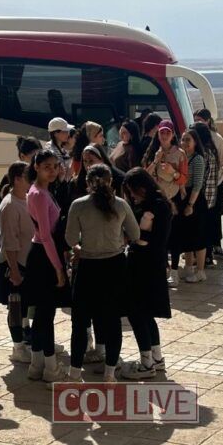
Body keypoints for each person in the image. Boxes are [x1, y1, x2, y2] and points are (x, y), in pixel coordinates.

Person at [64, 164, 141, 383]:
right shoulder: (120, 204)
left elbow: (70, 239)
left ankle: (75, 373)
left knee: (80, 322)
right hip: (115, 265)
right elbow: (135, 233)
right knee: (112, 320)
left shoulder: (78, 205)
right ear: (111, 182)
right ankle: (109, 373)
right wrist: (118, 238)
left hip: (88, 266)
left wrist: (81, 246)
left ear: (87, 183)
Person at [121, 168, 172, 379]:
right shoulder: (153, 204)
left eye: (133, 191)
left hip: (145, 265)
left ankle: (146, 363)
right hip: (147, 263)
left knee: (137, 313)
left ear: (143, 187)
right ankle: (156, 358)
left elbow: (150, 239)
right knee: (146, 313)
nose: (132, 196)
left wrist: (139, 234)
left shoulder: (157, 205)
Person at [24, 150, 68, 383]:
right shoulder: (39, 194)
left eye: (55, 166)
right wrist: (58, 268)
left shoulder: (42, 191)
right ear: (37, 167)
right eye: (47, 167)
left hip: (42, 253)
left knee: (42, 313)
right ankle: (50, 366)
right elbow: (45, 235)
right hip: (44, 256)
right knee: (45, 313)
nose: (52, 171)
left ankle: (37, 363)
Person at [0, 161, 34, 364]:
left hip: (25, 262)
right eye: (28, 176)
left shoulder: (25, 198)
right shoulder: (10, 205)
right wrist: (15, 271)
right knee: (16, 307)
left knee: (24, 306)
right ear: (17, 179)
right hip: (14, 264)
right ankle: (18, 347)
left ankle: (25, 342)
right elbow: (9, 241)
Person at [143, 120, 188, 286]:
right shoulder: (152, 152)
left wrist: (173, 172)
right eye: (162, 132)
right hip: (157, 198)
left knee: (174, 235)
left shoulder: (180, 154)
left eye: (168, 132)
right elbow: (144, 176)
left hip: (174, 199)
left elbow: (184, 178)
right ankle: (163, 269)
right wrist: (156, 161)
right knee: (158, 236)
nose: (164, 135)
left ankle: (174, 272)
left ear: (173, 134)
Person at [194, 108, 223, 260]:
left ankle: (215, 247)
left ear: (208, 121)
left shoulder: (217, 139)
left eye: (199, 120)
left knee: (215, 217)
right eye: (195, 120)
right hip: (199, 185)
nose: (197, 123)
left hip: (215, 184)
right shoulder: (192, 137)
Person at [176, 127, 209, 283]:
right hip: (183, 197)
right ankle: (188, 267)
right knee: (186, 235)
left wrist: (190, 204)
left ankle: (200, 271)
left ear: (195, 142)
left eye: (188, 140)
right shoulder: (181, 157)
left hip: (195, 200)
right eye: (183, 139)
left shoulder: (198, 159)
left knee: (198, 237)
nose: (184, 142)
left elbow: (197, 185)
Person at [193, 122, 222, 266]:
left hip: (201, 197)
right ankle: (207, 257)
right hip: (210, 197)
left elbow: (200, 179)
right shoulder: (212, 151)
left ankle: (202, 259)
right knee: (206, 228)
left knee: (200, 230)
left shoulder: (202, 154)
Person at [46, 117, 74, 183]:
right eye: (65, 131)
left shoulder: (61, 148)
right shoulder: (51, 150)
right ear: (55, 133)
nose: (68, 134)